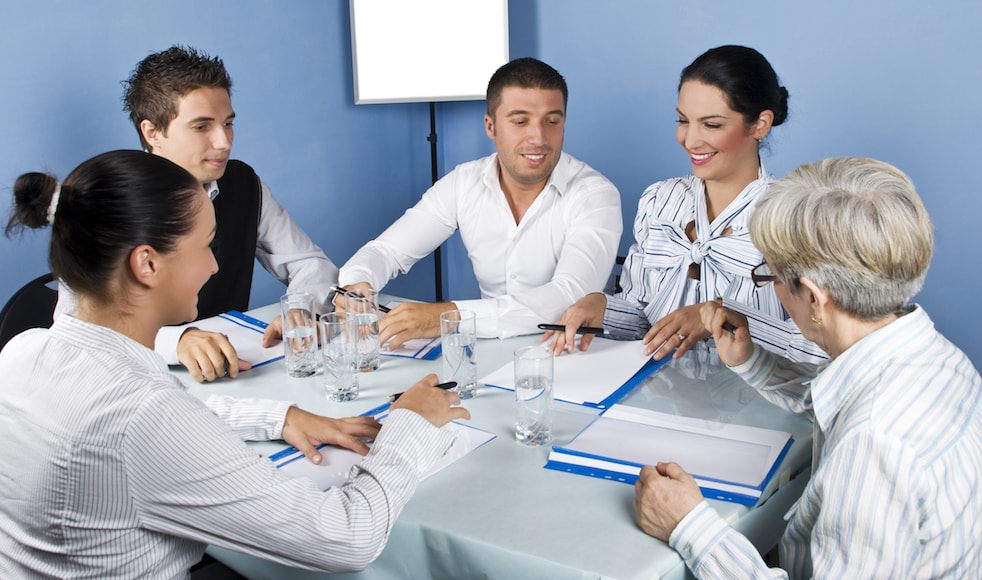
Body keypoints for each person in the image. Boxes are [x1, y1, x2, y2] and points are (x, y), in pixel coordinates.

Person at [0, 150, 469, 576]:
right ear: (147, 265)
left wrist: (280, 417)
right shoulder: (144, 417)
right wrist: (410, 424)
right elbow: (347, 538)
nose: (214, 266)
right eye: (205, 245)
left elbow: (141, 421)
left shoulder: (22, 353)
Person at [634, 157, 981, 578]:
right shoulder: (938, 358)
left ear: (815, 299)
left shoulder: (874, 445)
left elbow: (864, 423)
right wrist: (751, 360)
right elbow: (842, 398)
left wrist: (691, 527)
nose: (772, 288)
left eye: (771, 276)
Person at [54, 45, 339, 383]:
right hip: (134, 381)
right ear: (152, 132)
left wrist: (300, 309)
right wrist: (176, 341)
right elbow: (75, 327)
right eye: (202, 127)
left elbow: (311, 264)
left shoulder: (244, 184)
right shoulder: (109, 196)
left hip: (233, 375)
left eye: (228, 123)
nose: (224, 142)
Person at [546, 46, 824, 365]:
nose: (690, 140)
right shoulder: (659, 200)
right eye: (683, 121)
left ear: (760, 124)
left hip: (755, 393)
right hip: (656, 390)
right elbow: (642, 317)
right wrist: (602, 307)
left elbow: (822, 345)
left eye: (712, 125)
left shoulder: (799, 218)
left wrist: (723, 320)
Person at [338, 57, 622, 348]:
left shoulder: (596, 194)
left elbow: (572, 295)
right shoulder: (464, 182)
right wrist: (357, 283)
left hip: (575, 352)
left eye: (552, 121)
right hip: (491, 350)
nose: (538, 137)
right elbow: (386, 251)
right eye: (520, 121)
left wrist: (450, 316)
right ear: (491, 126)